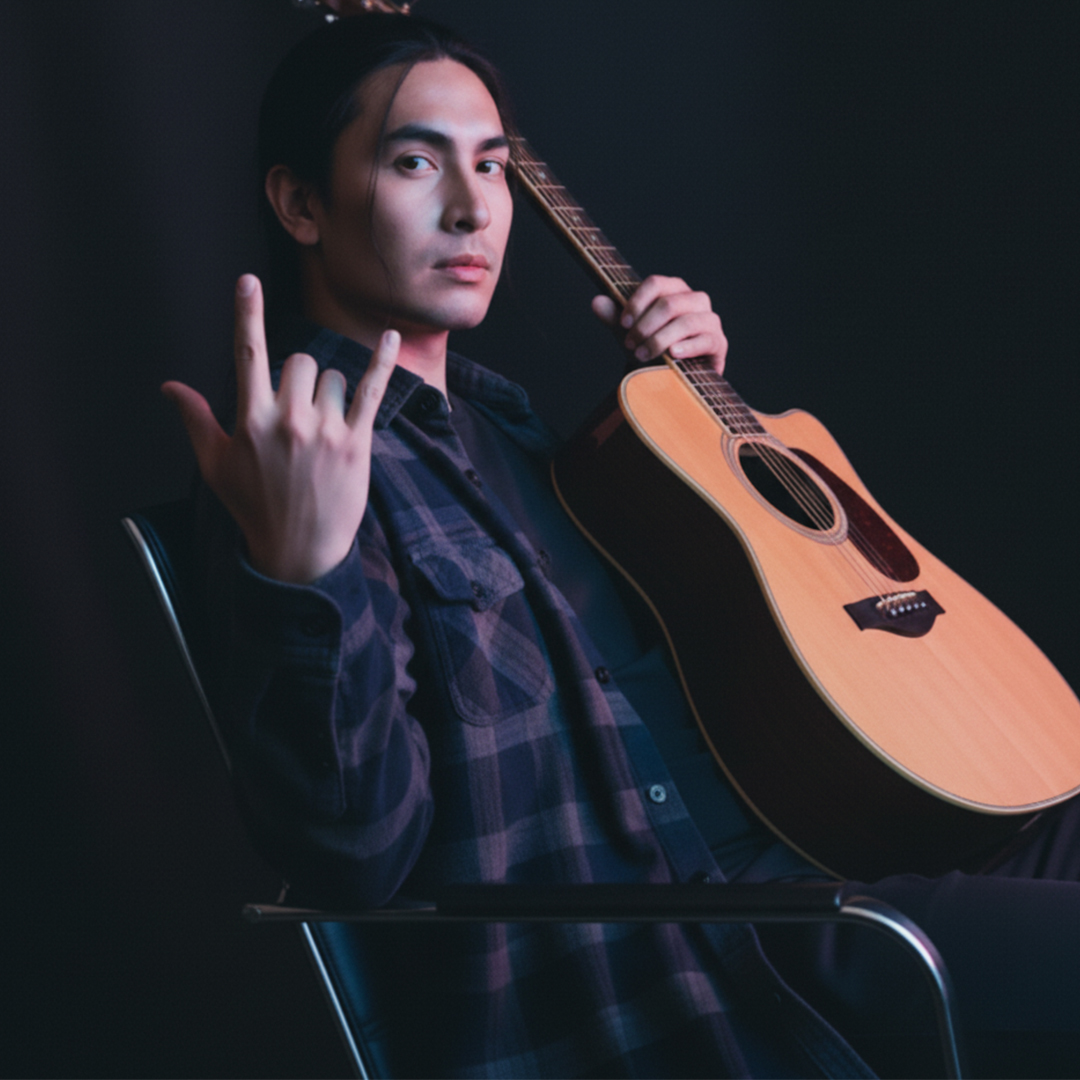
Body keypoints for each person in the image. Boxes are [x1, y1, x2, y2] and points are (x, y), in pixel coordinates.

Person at [163, 11, 1080, 1079]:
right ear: (300, 202)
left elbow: (717, 652)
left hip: (829, 846)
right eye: (416, 161)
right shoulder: (298, 471)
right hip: (716, 953)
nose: (473, 208)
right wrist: (303, 573)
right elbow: (356, 860)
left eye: (494, 167)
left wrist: (697, 408)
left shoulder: (509, 428)